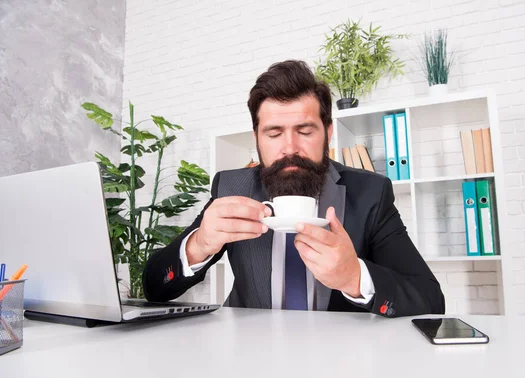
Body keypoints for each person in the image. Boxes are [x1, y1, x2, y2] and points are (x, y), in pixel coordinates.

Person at [142, 60, 445, 317]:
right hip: (249, 357)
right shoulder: (230, 187)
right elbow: (154, 286)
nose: (290, 148)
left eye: (304, 131)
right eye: (274, 133)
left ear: (327, 132)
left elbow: (431, 300)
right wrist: (199, 244)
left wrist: (355, 277)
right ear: (257, 137)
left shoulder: (370, 193)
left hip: (340, 364)